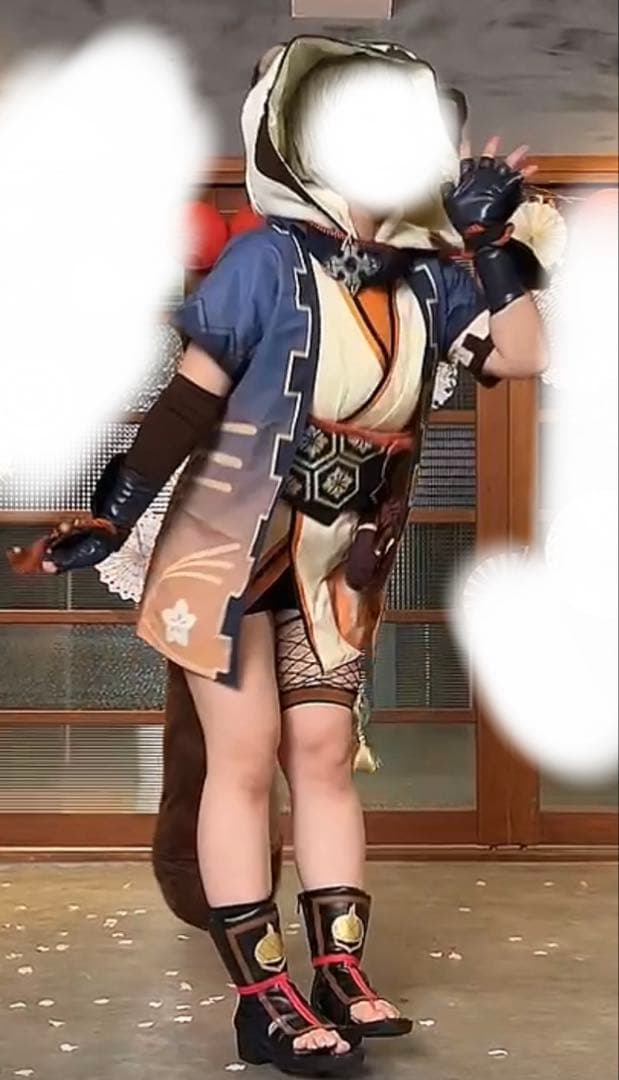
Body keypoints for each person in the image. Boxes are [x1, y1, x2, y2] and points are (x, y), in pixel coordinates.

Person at [9, 36, 547, 1078]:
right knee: (246, 758)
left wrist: (490, 242)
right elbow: (189, 400)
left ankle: (339, 972)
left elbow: (523, 356)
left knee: (323, 755)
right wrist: (114, 516)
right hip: (227, 539)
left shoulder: (431, 281)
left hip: (337, 555)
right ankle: (262, 1000)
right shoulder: (265, 260)